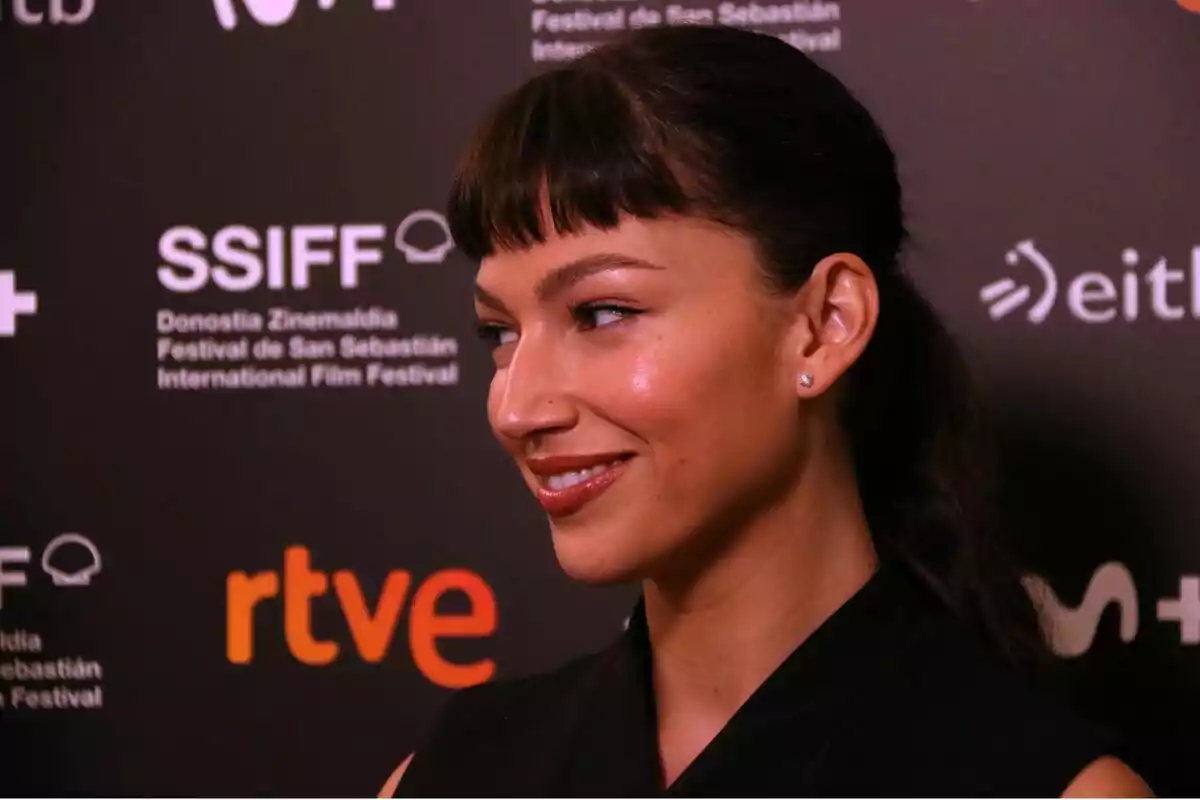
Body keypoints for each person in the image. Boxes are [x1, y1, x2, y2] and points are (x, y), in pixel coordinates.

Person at [380, 25, 1152, 797]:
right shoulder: (454, 774)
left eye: (602, 312)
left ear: (823, 326)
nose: (517, 408)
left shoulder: (1042, 786)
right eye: (498, 333)